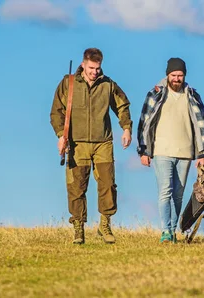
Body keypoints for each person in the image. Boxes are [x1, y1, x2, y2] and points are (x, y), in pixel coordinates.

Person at [50, 47, 133, 245]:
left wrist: (127, 128)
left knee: (107, 183)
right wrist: (61, 135)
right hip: (76, 143)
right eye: (91, 67)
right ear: (83, 64)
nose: (95, 72)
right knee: (76, 186)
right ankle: (78, 227)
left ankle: (105, 225)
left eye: (97, 68)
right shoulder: (68, 84)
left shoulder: (108, 85)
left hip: (103, 142)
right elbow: (56, 111)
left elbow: (122, 105)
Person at [136, 57, 204, 243]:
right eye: (173, 75)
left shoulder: (192, 95)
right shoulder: (155, 94)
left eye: (180, 75)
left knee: (178, 194)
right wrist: (143, 150)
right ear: (167, 75)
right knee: (165, 191)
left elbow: (203, 125)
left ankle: (173, 230)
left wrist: (202, 153)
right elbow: (144, 122)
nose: (177, 79)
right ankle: (165, 231)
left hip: (185, 152)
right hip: (162, 150)